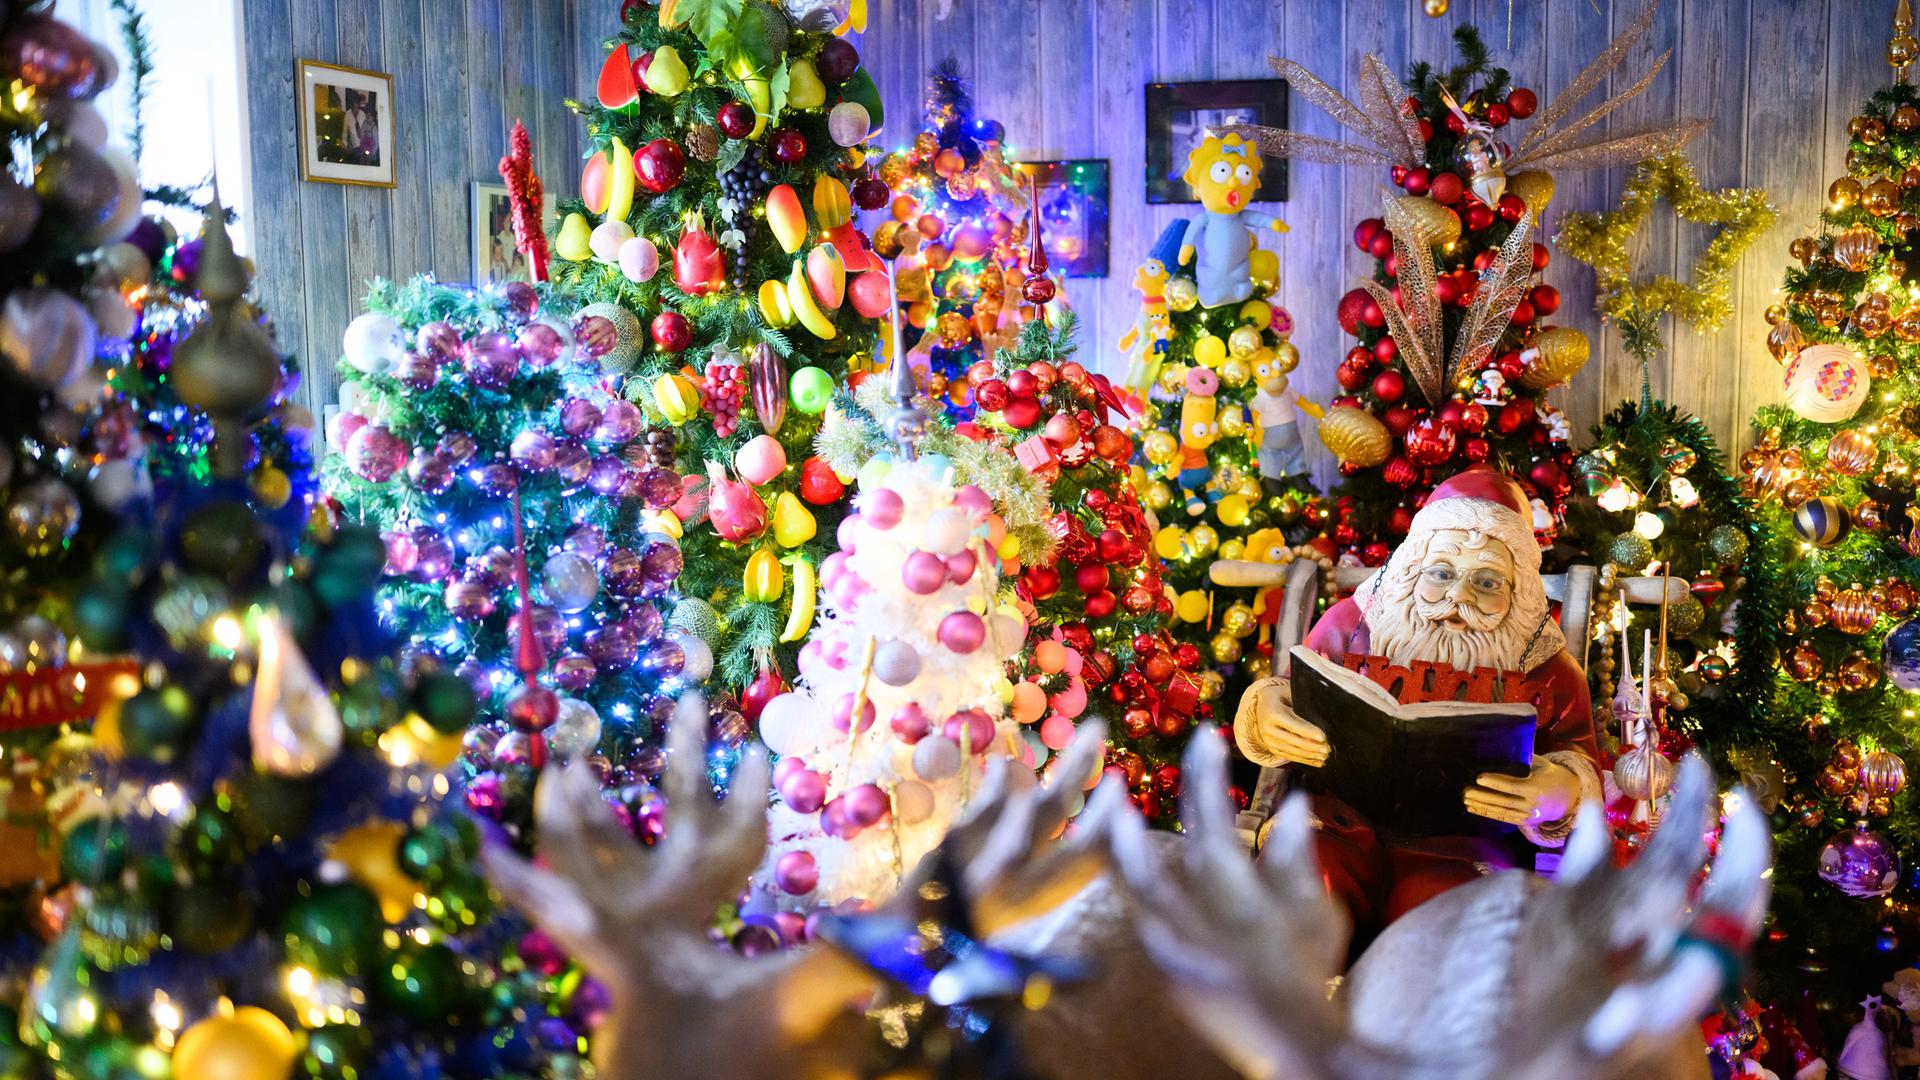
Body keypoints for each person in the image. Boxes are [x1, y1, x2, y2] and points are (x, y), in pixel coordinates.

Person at [1233, 466, 1601, 935]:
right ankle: (1295, 997)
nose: (1457, 595)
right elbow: (1290, 689)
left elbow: (1580, 761)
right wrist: (1265, 711)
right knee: (1303, 877)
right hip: (1336, 825)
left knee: (1449, 916)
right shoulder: (1352, 626)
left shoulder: (1546, 668)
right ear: (1411, 569)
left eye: (1486, 582)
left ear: (1520, 590)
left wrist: (1562, 791)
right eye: (1442, 572)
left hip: (1464, 850)